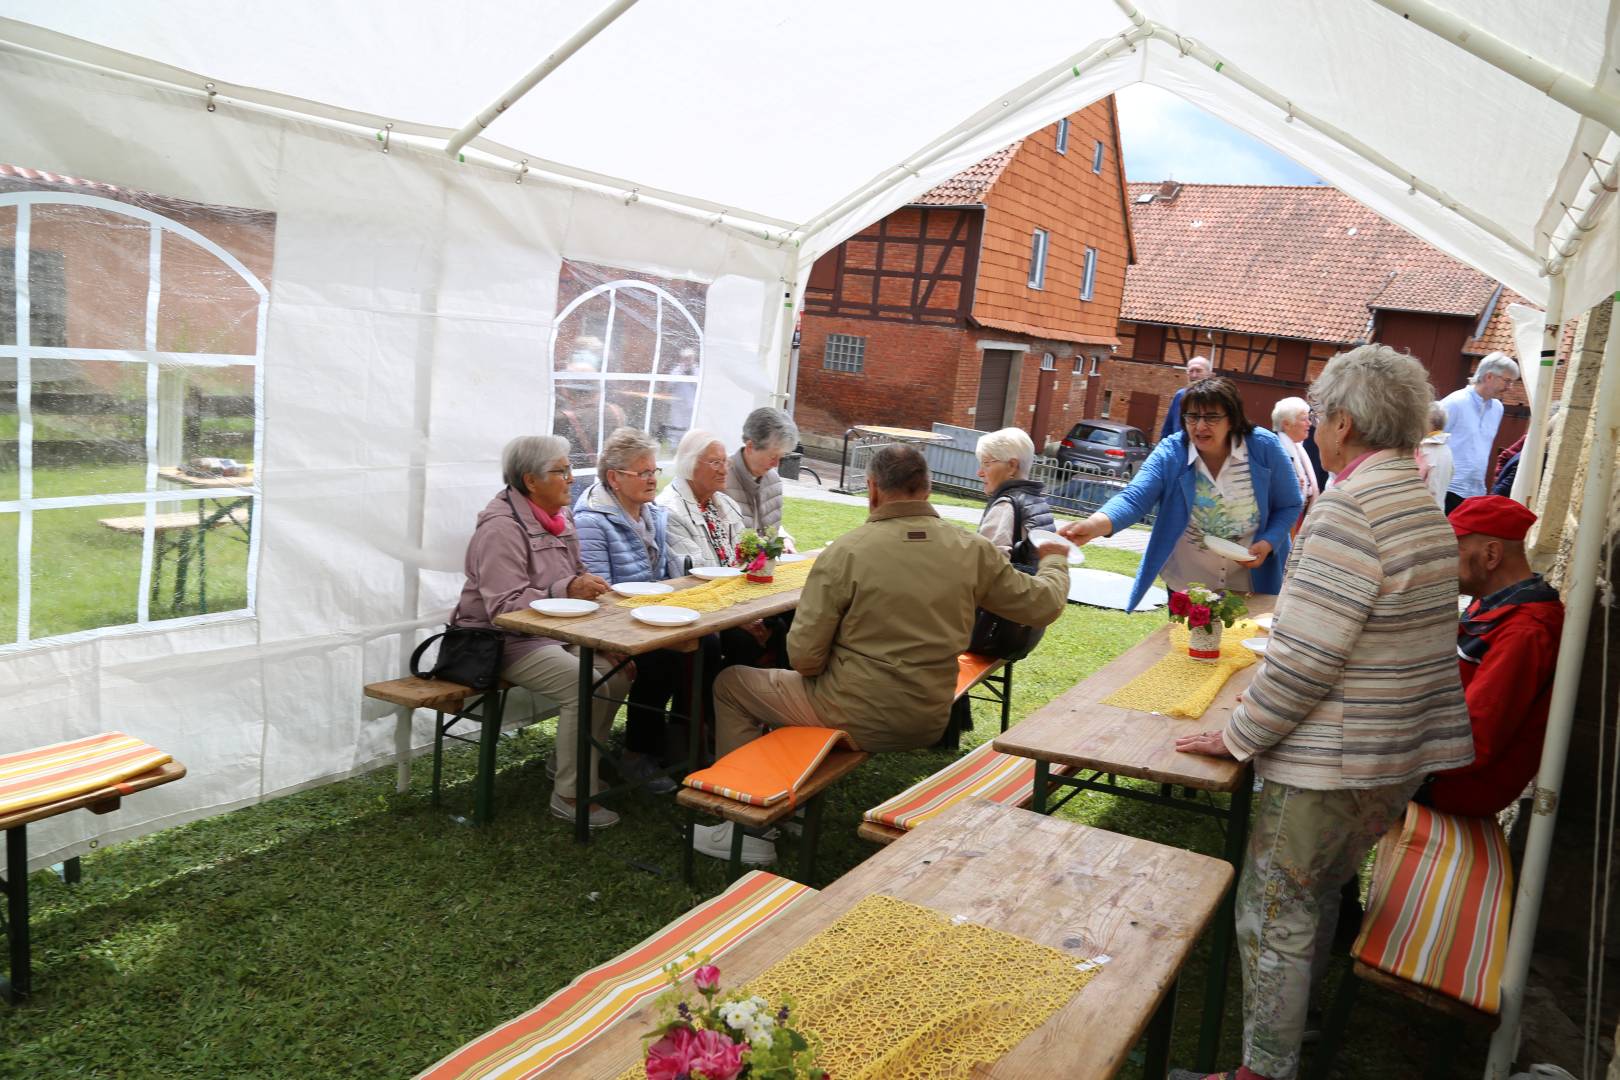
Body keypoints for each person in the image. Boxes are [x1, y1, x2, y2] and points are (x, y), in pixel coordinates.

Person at [1170, 345, 1474, 1080]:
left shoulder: (1350, 507)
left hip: (1338, 759)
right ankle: (1294, 1028)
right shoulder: (1420, 499)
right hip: (1394, 753)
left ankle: (1263, 1071)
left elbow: (1307, 660)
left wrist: (1239, 736)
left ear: (1339, 422)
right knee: (1317, 889)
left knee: (1275, 909)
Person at [695, 445, 1070, 865]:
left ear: (872, 490)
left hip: (854, 713)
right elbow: (1043, 604)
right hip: (929, 715)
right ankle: (784, 796)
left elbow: (804, 658)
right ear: (927, 488)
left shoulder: (846, 552)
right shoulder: (970, 549)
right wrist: (1054, 560)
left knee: (731, 683)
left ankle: (747, 828)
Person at [448, 435, 631, 829]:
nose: (570, 478)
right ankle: (569, 794)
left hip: (556, 632)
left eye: (568, 469)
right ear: (531, 481)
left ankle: (570, 762)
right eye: (560, 471)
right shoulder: (501, 528)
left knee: (618, 674)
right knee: (586, 684)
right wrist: (565, 589)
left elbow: (574, 574)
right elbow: (502, 607)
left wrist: (585, 582)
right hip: (501, 641)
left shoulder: (559, 519)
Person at [1059, 376, 1303, 613]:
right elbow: (1134, 498)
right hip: (1189, 584)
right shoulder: (1171, 452)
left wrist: (1269, 541)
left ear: (1232, 418)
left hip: (1252, 583)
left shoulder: (1264, 447)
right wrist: (1093, 525)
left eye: (1211, 417)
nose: (1199, 426)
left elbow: (1290, 504)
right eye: (1192, 416)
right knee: (1187, 652)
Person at [1417, 496, 1564, 817]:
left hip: (1453, 787)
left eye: (1452, 552)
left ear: (1491, 554)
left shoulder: (1524, 631)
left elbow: (1471, 740)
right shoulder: (1492, 603)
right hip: (1438, 766)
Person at [574, 427, 685, 793]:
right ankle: (637, 755)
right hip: (619, 628)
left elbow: (667, 574)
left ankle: (685, 743)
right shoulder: (592, 520)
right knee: (665, 660)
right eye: (644, 473)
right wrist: (620, 640)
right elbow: (600, 595)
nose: (653, 479)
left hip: (653, 618)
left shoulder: (652, 514)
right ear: (614, 478)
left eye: (655, 471)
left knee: (710, 645)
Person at [657, 429, 746, 570]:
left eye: (725, 462)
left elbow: (746, 555)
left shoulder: (727, 505)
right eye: (716, 463)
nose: (724, 471)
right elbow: (695, 572)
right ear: (690, 464)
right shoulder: (671, 510)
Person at [1441, 351, 1520, 511]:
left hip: (1475, 493)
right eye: (1507, 381)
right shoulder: (1454, 403)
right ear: (1489, 376)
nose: (1510, 388)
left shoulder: (1497, 409)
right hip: (1448, 489)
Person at [726, 406, 798, 547]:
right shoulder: (720, 481)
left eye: (781, 457)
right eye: (772, 456)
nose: (776, 463)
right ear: (750, 446)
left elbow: (770, 534)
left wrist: (783, 540)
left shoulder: (773, 480)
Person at [1271, 396, 1319, 531]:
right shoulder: (1274, 450)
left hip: (1297, 520)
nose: (1309, 423)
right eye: (1304, 419)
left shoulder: (1298, 448)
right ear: (1286, 424)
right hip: (1281, 522)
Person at [1159, 355, 1213, 440]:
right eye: (1191, 371)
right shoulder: (1180, 396)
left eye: (1198, 371)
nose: (1194, 375)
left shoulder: (1215, 399)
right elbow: (1167, 429)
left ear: (1209, 374)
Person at [1414, 402, 1454, 509]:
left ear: (1429, 423)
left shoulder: (1423, 450)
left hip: (1421, 512)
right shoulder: (1447, 450)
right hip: (1438, 510)